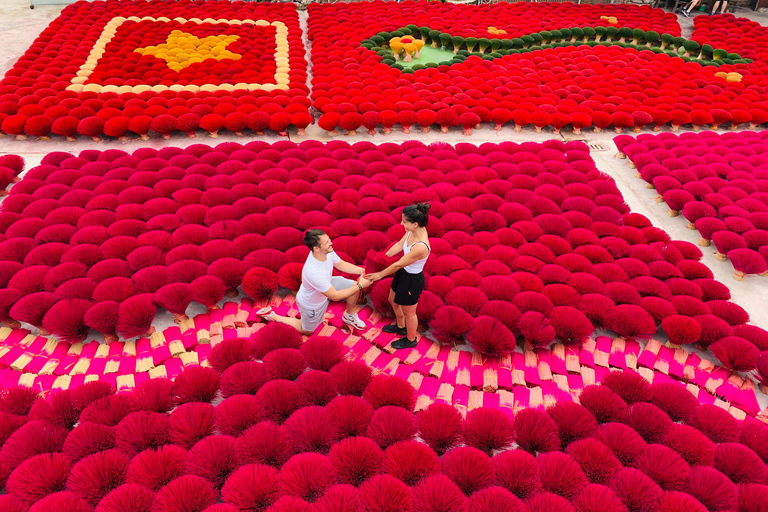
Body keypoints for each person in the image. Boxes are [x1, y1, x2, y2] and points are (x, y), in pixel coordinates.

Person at [257, 229, 373, 336]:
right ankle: (273, 315)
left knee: (352, 286)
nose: (331, 243)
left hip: (327, 285)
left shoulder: (326, 251)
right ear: (316, 248)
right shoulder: (313, 272)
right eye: (327, 242)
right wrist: (361, 286)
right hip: (312, 303)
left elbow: (340, 264)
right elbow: (335, 296)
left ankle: (350, 316)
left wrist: (363, 271)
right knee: (307, 331)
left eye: (329, 239)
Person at [366, 203, 431, 350]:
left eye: (404, 222)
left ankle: (410, 339)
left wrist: (380, 274)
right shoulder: (412, 231)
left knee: (409, 312)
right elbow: (399, 245)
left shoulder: (421, 246)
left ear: (415, 224)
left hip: (411, 280)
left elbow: (398, 264)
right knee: (392, 300)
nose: (401, 224)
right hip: (403, 273)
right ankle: (401, 326)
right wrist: (381, 258)